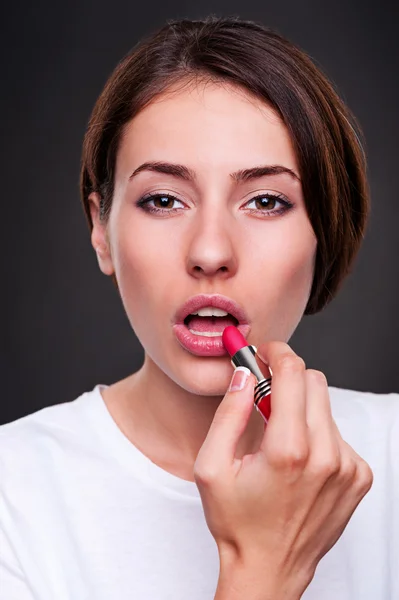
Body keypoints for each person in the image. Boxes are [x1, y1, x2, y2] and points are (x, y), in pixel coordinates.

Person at [0, 14, 397, 600]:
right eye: (163, 199)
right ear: (101, 230)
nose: (211, 252)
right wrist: (261, 569)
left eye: (265, 201)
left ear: (325, 230)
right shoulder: (14, 493)